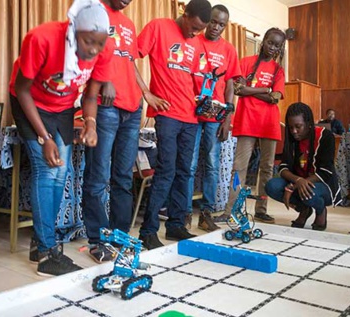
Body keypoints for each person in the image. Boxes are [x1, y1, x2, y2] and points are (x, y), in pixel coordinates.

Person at [10, 0, 111, 276]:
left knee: (62, 170)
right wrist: (44, 138)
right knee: (46, 169)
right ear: (73, 29)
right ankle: (47, 252)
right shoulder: (42, 38)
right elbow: (22, 89)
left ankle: (42, 242)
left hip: (63, 107)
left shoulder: (105, 48)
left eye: (99, 44)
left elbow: (90, 94)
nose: (93, 50)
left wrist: (90, 124)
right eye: (88, 41)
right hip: (29, 103)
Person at [81, 0, 168, 263]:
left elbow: (128, 62)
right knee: (98, 176)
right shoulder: (94, 14)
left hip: (132, 109)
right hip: (105, 106)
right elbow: (86, 54)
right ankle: (98, 240)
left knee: (122, 177)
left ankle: (119, 237)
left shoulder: (128, 24)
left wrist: (145, 92)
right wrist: (105, 79)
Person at [137, 0, 212, 250]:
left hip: (190, 117)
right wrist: (146, 92)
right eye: (193, 27)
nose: (195, 33)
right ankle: (148, 232)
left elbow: (194, 80)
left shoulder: (197, 42)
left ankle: (176, 226)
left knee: (184, 172)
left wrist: (205, 102)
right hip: (167, 114)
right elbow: (130, 58)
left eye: (200, 30)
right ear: (185, 13)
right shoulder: (158, 27)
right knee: (166, 170)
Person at [214, 28, 287, 224]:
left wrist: (250, 90)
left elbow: (276, 97)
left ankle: (261, 208)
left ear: (280, 48)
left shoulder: (279, 71)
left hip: (269, 124)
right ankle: (230, 210)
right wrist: (265, 89)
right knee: (238, 168)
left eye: (277, 45)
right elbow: (237, 89)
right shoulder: (245, 62)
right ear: (264, 41)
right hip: (247, 122)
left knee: (267, 168)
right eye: (270, 42)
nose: (272, 48)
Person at [186, 4, 241, 232]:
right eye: (214, 22)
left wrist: (227, 117)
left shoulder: (229, 50)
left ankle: (206, 212)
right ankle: (184, 213)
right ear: (207, 21)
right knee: (188, 164)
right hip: (189, 111)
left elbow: (230, 85)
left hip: (214, 117)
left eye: (222, 24)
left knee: (211, 165)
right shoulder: (193, 42)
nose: (217, 27)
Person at [266, 103, 342, 230]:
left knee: (308, 192)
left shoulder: (325, 136)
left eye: (298, 126)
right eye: (290, 127)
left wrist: (295, 186)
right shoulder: (292, 139)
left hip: (322, 185)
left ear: (308, 123)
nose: (294, 131)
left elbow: (325, 172)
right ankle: (305, 210)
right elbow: (283, 167)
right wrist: (298, 180)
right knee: (271, 186)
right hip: (298, 182)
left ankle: (320, 209)